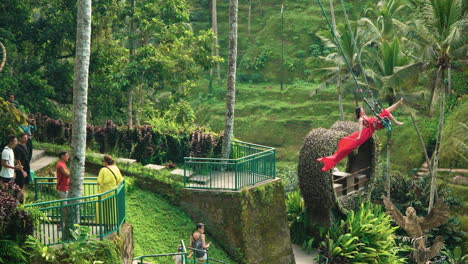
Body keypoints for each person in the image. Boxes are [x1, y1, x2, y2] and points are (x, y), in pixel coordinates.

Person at [317, 98, 404, 171]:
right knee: (386, 111)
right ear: (359, 113)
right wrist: (358, 136)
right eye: (362, 110)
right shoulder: (361, 119)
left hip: (376, 121)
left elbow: (371, 119)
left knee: (386, 110)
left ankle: (398, 104)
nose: (363, 110)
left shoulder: (365, 116)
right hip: (376, 125)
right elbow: (360, 128)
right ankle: (396, 121)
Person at [97, 155, 123, 229]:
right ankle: (112, 223)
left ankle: (105, 224)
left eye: (102, 161)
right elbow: (120, 179)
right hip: (113, 190)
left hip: (105, 191)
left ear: (106, 162)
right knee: (111, 207)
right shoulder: (115, 168)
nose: (102, 163)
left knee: (104, 208)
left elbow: (99, 181)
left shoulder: (103, 170)